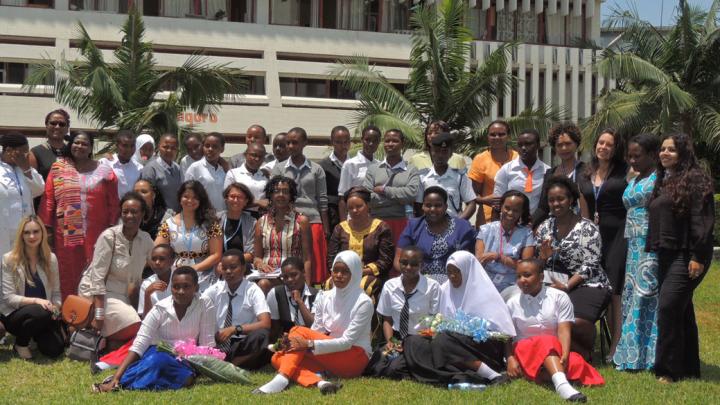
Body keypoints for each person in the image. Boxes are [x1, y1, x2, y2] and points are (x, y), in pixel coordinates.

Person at [253, 251, 373, 395]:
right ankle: (320, 382)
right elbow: (317, 331)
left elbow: (347, 342)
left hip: (353, 357)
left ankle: (282, 379)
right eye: (336, 270)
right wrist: (297, 343)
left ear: (355, 273)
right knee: (278, 357)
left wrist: (308, 344)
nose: (339, 275)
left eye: (345, 271)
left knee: (298, 331)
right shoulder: (325, 296)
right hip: (330, 354)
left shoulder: (364, 302)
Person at [647, 133, 714, 383]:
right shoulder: (665, 179)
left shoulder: (696, 180)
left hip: (689, 255)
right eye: (662, 149)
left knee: (668, 307)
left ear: (683, 153)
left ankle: (668, 371)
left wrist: (697, 256)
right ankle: (689, 367)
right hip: (667, 253)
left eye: (671, 150)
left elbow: (702, 220)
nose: (664, 153)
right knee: (681, 309)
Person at [94, 267, 216, 392]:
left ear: (196, 288)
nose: (180, 291)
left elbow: (207, 343)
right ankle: (119, 382)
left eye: (186, 286)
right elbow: (139, 344)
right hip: (157, 353)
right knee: (159, 361)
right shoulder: (160, 308)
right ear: (170, 288)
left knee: (186, 379)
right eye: (176, 286)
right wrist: (117, 375)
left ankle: (128, 383)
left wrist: (203, 367)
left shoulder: (204, 304)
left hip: (187, 359)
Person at [506, 259, 604, 402]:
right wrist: (510, 358)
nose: (522, 280)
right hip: (524, 349)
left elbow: (564, 330)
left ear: (541, 277)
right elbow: (507, 336)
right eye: (518, 276)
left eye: (527, 275)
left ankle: (542, 374)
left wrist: (564, 354)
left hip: (554, 349)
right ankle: (562, 386)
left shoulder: (559, 297)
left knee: (576, 362)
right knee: (546, 341)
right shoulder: (512, 303)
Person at [536, 176, 612, 359]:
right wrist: (542, 258)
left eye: (560, 199)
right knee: (546, 320)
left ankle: (585, 350)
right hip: (553, 285)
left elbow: (591, 264)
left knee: (573, 321)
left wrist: (568, 285)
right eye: (551, 200)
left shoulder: (587, 228)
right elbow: (537, 264)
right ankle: (564, 351)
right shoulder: (544, 228)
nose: (556, 203)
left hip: (588, 284)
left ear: (571, 200)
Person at [39, 131, 120, 300]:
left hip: (97, 232)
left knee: (95, 270)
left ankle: (91, 313)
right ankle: (69, 317)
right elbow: (48, 199)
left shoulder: (105, 171)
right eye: (76, 143)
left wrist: (113, 229)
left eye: (85, 144)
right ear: (71, 144)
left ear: (91, 148)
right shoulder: (59, 168)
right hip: (66, 234)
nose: (80, 146)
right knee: (67, 272)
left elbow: (113, 202)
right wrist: (46, 230)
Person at [418, 251, 516, 385]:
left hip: (484, 347)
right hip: (455, 344)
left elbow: (505, 332)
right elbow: (440, 320)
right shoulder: (446, 289)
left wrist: (510, 358)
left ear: (467, 270)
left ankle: (492, 375)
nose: (452, 276)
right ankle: (452, 369)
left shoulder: (485, 293)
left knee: (443, 340)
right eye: (449, 271)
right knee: (415, 342)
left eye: (457, 271)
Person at [78, 192, 154, 348]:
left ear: (143, 214)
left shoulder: (145, 239)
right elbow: (97, 278)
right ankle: (99, 334)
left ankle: (107, 341)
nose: (129, 216)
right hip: (98, 294)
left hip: (123, 296)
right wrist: (98, 315)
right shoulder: (109, 236)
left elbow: (158, 264)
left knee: (145, 325)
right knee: (136, 326)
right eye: (125, 211)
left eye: (134, 212)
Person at [577, 129, 628, 359]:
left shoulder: (626, 171)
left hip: (618, 234)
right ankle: (596, 340)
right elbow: (585, 208)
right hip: (593, 237)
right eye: (601, 142)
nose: (604, 147)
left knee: (615, 288)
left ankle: (616, 344)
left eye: (609, 144)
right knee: (596, 285)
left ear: (616, 148)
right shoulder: (586, 173)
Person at [613, 133, 660, 371]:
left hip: (651, 245)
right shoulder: (635, 178)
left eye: (637, 156)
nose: (632, 160)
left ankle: (649, 356)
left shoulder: (660, 179)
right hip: (632, 244)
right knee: (632, 294)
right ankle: (631, 353)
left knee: (647, 295)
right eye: (629, 156)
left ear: (652, 155)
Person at [270, 127, 329, 284]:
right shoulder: (278, 168)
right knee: (292, 263)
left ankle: (311, 295)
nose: (290, 146)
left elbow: (322, 199)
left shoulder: (317, 169)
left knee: (313, 266)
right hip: (288, 220)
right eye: (288, 142)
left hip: (313, 220)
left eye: (294, 142)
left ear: (304, 143)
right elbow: (273, 197)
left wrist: (326, 228)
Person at [0, 216, 64, 359]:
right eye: (27, 232)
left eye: (36, 231)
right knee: (40, 311)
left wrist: (56, 308)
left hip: (44, 314)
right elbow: (9, 298)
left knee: (55, 349)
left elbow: (56, 292)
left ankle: (33, 336)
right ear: (21, 235)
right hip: (14, 315)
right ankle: (21, 344)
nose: (32, 236)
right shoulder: (9, 259)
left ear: (43, 233)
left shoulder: (51, 259)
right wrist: (37, 301)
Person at [202, 249, 271, 369]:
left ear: (243, 268)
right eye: (224, 268)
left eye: (233, 267)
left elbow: (265, 323)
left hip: (242, 343)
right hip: (218, 340)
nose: (228, 272)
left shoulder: (252, 290)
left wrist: (235, 329)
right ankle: (227, 363)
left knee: (261, 335)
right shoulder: (216, 289)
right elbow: (198, 305)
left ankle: (229, 365)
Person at [325, 187, 395, 305]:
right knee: (329, 284)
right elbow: (331, 258)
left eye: (359, 206)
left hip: (370, 274)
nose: (355, 210)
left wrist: (361, 272)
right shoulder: (340, 228)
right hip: (343, 273)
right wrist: (342, 272)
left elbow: (385, 260)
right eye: (350, 208)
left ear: (368, 206)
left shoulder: (381, 227)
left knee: (364, 286)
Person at [396, 186, 475, 284]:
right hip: (420, 281)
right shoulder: (414, 226)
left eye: (438, 205)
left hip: (453, 282)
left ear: (445, 207)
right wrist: (415, 278)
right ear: (423, 206)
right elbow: (398, 259)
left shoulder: (462, 226)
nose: (433, 209)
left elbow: (471, 260)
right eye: (428, 205)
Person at [155, 180, 222, 293]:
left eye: (195, 197)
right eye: (186, 196)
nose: (190, 201)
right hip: (175, 274)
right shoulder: (168, 223)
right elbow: (156, 250)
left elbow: (216, 254)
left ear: (201, 200)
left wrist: (195, 268)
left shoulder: (210, 223)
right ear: (180, 198)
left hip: (203, 275)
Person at [253, 176, 312, 294]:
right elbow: (257, 257)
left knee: (263, 285)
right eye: (276, 191)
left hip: (291, 276)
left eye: (285, 192)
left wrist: (307, 288)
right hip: (267, 274)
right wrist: (260, 264)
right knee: (262, 283)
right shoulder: (261, 222)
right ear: (270, 195)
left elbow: (307, 258)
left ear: (291, 196)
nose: (281, 195)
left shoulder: (301, 221)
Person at [363, 129, 420, 245]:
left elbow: (412, 194)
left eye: (395, 141)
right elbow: (367, 198)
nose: (390, 144)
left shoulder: (411, 170)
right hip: (376, 223)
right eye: (387, 141)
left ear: (402, 144)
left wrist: (384, 190)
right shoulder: (373, 169)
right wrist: (399, 199)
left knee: (398, 261)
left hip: (401, 223)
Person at [377, 245, 440, 347]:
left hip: (422, 338)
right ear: (399, 262)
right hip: (396, 338)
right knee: (384, 362)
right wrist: (390, 342)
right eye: (404, 263)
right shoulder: (390, 286)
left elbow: (435, 321)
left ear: (421, 265)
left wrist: (421, 342)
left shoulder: (432, 287)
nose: (408, 267)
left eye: (414, 264)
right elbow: (387, 319)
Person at [475, 190, 536, 293]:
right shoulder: (485, 230)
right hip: (486, 282)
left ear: (522, 212)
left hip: (513, 284)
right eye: (507, 208)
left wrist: (499, 257)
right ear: (501, 207)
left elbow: (526, 267)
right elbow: (479, 260)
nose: (510, 213)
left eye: (516, 210)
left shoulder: (527, 233)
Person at [532, 122, 589, 227]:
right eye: (559, 145)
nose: (564, 148)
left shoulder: (588, 171)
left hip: (581, 229)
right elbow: (543, 207)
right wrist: (530, 224)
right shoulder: (550, 173)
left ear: (577, 144)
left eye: (568, 144)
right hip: (556, 228)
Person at [0, 132, 45, 255]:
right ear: (9, 150)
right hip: (4, 232)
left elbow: (40, 189)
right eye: (24, 152)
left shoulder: (25, 169)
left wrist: (26, 170)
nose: (27, 155)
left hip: (25, 233)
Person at [416, 132, 476, 220]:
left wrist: (459, 224)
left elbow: (471, 203)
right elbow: (418, 206)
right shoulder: (422, 177)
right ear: (431, 152)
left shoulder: (460, 177)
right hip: (430, 226)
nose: (440, 155)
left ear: (451, 153)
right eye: (436, 151)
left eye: (444, 151)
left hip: (454, 226)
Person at [469, 120, 518, 226]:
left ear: (508, 136)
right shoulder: (480, 159)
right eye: (493, 134)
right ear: (487, 137)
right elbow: (471, 194)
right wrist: (484, 200)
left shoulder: (518, 158)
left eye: (501, 134)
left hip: (516, 219)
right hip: (487, 220)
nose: (497, 137)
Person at [493, 128, 549, 213]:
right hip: (511, 222)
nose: (523, 148)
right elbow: (498, 204)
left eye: (528, 144)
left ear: (538, 145)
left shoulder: (547, 171)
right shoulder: (506, 170)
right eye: (520, 145)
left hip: (538, 223)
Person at [267, 257, 320, 341]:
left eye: (294, 275)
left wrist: (299, 301)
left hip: (310, 342)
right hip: (287, 342)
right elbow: (275, 328)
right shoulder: (276, 294)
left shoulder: (317, 295)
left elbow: (314, 327)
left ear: (303, 273)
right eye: (285, 277)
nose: (290, 280)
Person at [337, 126, 380, 220]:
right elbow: (342, 198)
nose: (371, 144)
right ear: (362, 140)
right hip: (354, 218)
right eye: (367, 140)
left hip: (375, 217)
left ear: (379, 142)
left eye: (375, 141)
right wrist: (344, 225)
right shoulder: (350, 164)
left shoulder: (380, 165)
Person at [319, 126, 351, 234]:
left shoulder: (355, 164)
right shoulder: (323, 166)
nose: (343, 145)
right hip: (333, 215)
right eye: (339, 142)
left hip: (354, 212)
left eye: (346, 142)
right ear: (332, 142)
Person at [224, 143, 270, 216]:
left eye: (260, 157)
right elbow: (228, 201)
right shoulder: (233, 173)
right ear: (245, 155)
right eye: (253, 155)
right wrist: (257, 202)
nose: (257, 159)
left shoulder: (265, 176)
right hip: (238, 215)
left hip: (261, 217)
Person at [140, 133, 183, 212]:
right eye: (165, 147)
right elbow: (145, 198)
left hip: (177, 218)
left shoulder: (177, 168)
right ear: (159, 147)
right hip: (161, 219)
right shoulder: (151, 169)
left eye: (173, 148)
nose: (169, 150)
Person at [185, 132, 227, 211]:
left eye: (215, 147)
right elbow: (187, 193)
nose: (210, 149)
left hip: (222, 216)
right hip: (203, 216)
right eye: (207, 146)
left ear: (222, 149)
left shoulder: (223, 170)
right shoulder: (195, 168)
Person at [218, 183, 256, 263]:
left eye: (240, 197)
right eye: (232, 196)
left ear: (246, 201)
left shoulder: (252, 222)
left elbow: (251, 254)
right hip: (217, 266)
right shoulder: (216, 219)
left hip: (242, 266)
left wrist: (228, 262)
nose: (235, 200)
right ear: (226, 199)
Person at [99, 130, 143, 198]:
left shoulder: (139, 168)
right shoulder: (105, 163)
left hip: (129, 207)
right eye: (125, 146)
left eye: (132, 146)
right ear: (117, 146)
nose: (129, 149)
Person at [29, 109, 69, 181]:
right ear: (46, 125)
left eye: (62, 124)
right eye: (53, 123)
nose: (57, 127)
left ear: (67, 129)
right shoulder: (35, 153)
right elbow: (32, 182)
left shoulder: (72, 152)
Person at [138, 244, 175, 317]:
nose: (157, 262)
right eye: (154, 259)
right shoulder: (147, 283)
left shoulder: (182, 278)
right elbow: (146, 318)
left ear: (172, 262)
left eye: (162, 259)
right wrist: (147, 294)